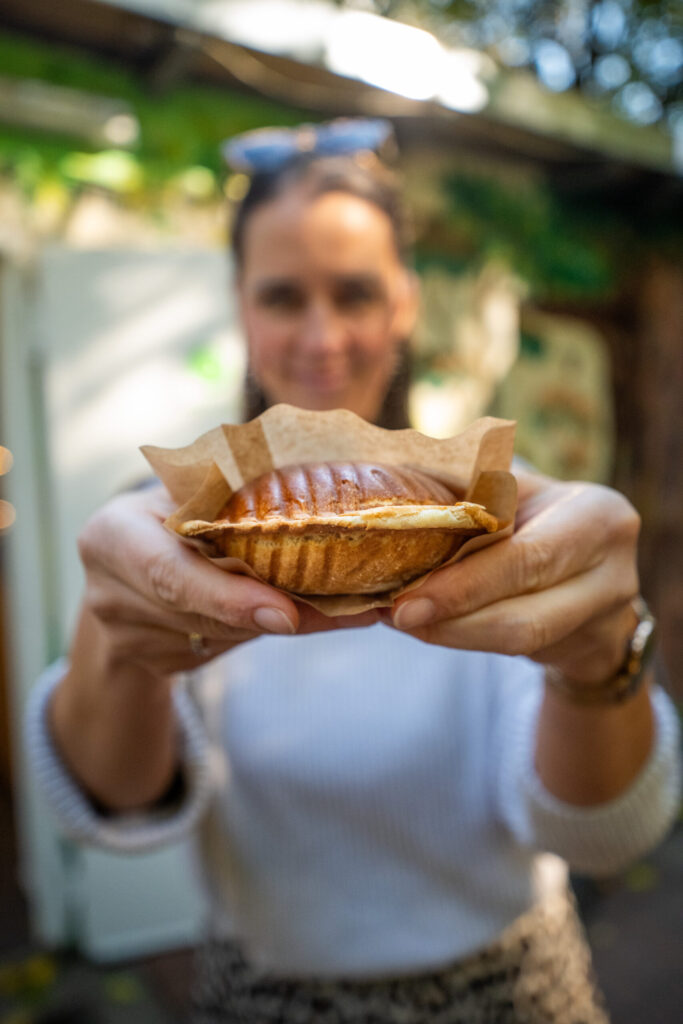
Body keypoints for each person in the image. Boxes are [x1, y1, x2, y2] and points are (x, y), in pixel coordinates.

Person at [26, 119, 680, 1024]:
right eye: (284, 296)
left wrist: (600, 657)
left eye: (356, 293)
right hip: (261, 997)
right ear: (241, 305)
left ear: (405, 302)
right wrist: (116, 644)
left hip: (512, 990)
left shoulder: (506, 515)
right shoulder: (166, 529)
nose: (322, 336)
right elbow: (114, 805)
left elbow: (607, 833)